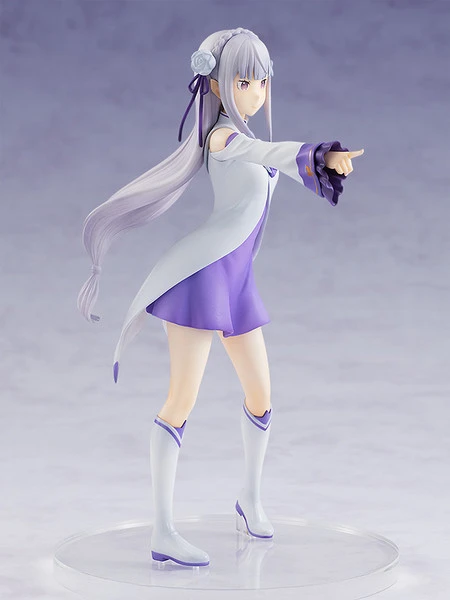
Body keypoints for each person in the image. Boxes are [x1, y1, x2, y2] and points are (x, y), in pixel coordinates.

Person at [77, 27, 364, 567]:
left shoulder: (248, 140)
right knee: (181, 402)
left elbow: (279, 164)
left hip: (237, 281)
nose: (255, 92)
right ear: (216, 84)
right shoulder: (223, 139)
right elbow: (266, 151)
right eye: (244, 81)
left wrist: (322, 163)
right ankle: (163, 530)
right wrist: (315, 153)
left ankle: (249, 499)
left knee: (262, 397)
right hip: (203, 277)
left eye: (262, 81)